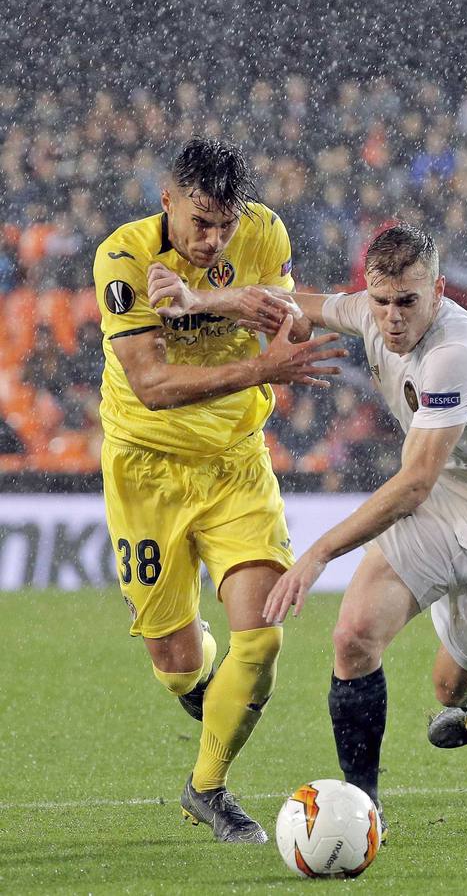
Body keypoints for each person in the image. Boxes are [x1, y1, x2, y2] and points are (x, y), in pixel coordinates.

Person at [263, 225, 467, 836]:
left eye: (408, 301)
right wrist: (194, 299)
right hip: (444, 515)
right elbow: (290, 302)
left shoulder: (456, 354)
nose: (392, 317)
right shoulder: (372, 313)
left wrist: (319, 552)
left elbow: (412, 485)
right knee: (351, 637)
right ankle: (360, 810)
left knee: (450, 687)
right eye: (380, 301)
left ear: (438, 291)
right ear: (368, 293)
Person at [93, 137, 346, 844]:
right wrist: (259, 363)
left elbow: (290, 324)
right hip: (146, 471)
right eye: (200, 223)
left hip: (236, 463)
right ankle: (208, 682)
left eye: (225, 224)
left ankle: (207, 789)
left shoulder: (264, 232)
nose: (214, 238)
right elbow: (153, 385)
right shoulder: (123, 259)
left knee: (262, 639)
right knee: (176, 667)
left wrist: (211, 301)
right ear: (166, 201)